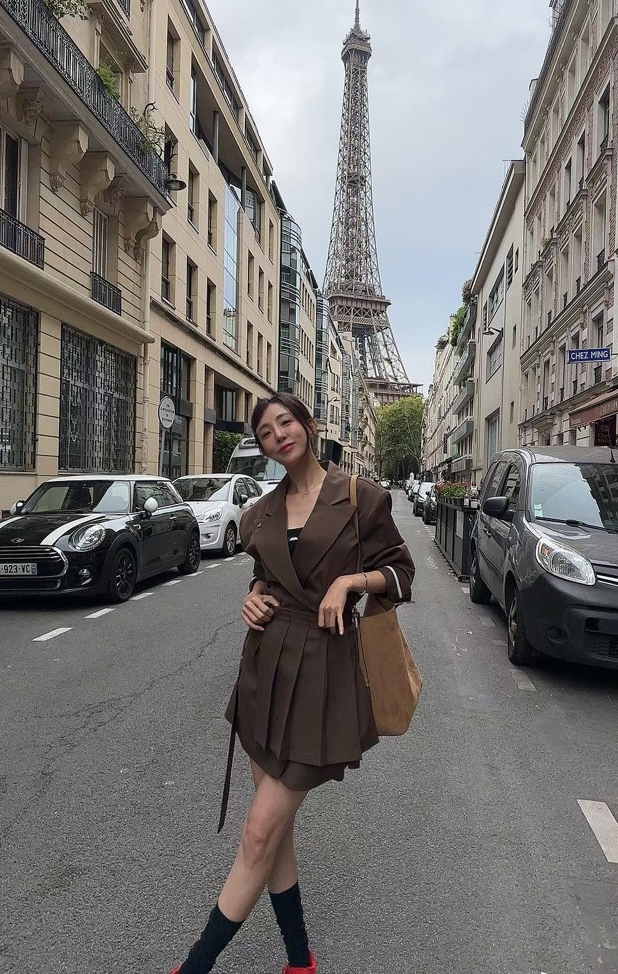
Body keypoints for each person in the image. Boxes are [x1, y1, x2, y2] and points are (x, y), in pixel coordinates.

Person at [171, 392, 415, 974]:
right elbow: (267, 577)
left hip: (323, 677)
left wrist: (350, 583)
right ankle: (300, 961)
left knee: (259, 833)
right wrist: (253, 597)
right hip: (265, 673)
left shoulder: (360, 497)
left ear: (308, 425)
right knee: (275, 834)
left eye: (287, 422)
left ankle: (194, 967)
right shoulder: (261, 512)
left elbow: (402, 573)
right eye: (265, 431)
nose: (279, 434)